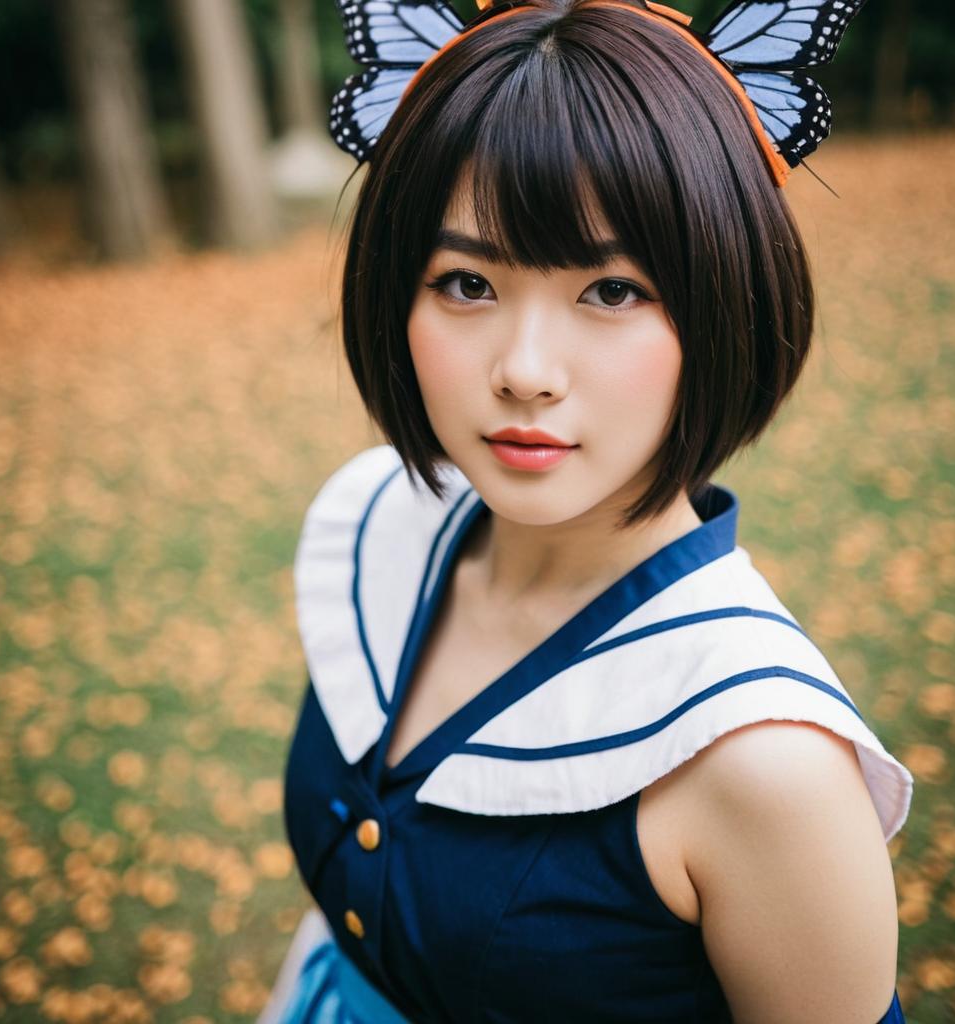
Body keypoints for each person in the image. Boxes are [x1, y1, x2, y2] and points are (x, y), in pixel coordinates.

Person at [259, 0, 915, 1020]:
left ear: (725, 301)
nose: (523, 372)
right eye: (466, 280)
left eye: (610, 291)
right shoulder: (387, 531)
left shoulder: (762, 765)